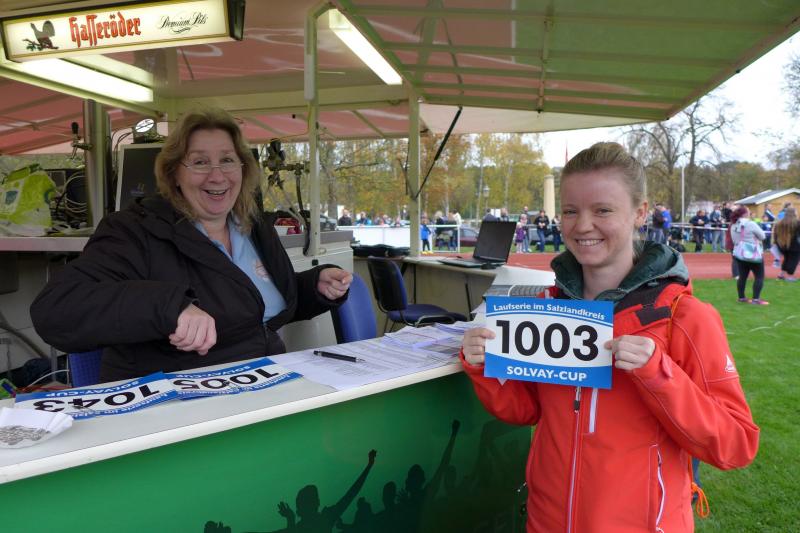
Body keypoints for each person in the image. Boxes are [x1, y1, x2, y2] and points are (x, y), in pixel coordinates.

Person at [460, 142, 758, 532]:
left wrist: (659, 374)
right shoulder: (545, 309)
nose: (582, 225)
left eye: (602, 210)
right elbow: (528, 411)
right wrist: (484, 368)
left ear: (640, 213)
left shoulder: (684, 317)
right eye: (570, 211)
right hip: (547, 520)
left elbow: (736, 444)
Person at [30, 108, 352, 382]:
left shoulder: (252, 225)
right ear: (173, 173)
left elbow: (249, 306)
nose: (217, 176)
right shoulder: (135, 230)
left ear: (243, 168)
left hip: (261, 382)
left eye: (227, 160)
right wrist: (171, 307)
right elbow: (56, 310)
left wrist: (312, 287)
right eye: (199, 162)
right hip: (176, 403)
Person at [730, 205, 768, 305]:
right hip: (753, 253)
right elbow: (762, 236)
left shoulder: (733, 225)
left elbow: (734, 240)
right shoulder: (751, 224)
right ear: (745, 214)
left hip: (740, 254)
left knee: (742, 276)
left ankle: (741, 297)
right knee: (759, 276)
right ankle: (756, 299)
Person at [773, 207, 800, 281]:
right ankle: (790, 276)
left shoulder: (779, 223)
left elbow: (775, 235)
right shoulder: (797, 223)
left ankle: (781, 275)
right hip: (794, 245)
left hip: (782, 245)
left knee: (787, 259)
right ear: (794, 213)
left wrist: (776, 243)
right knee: (794, 260)